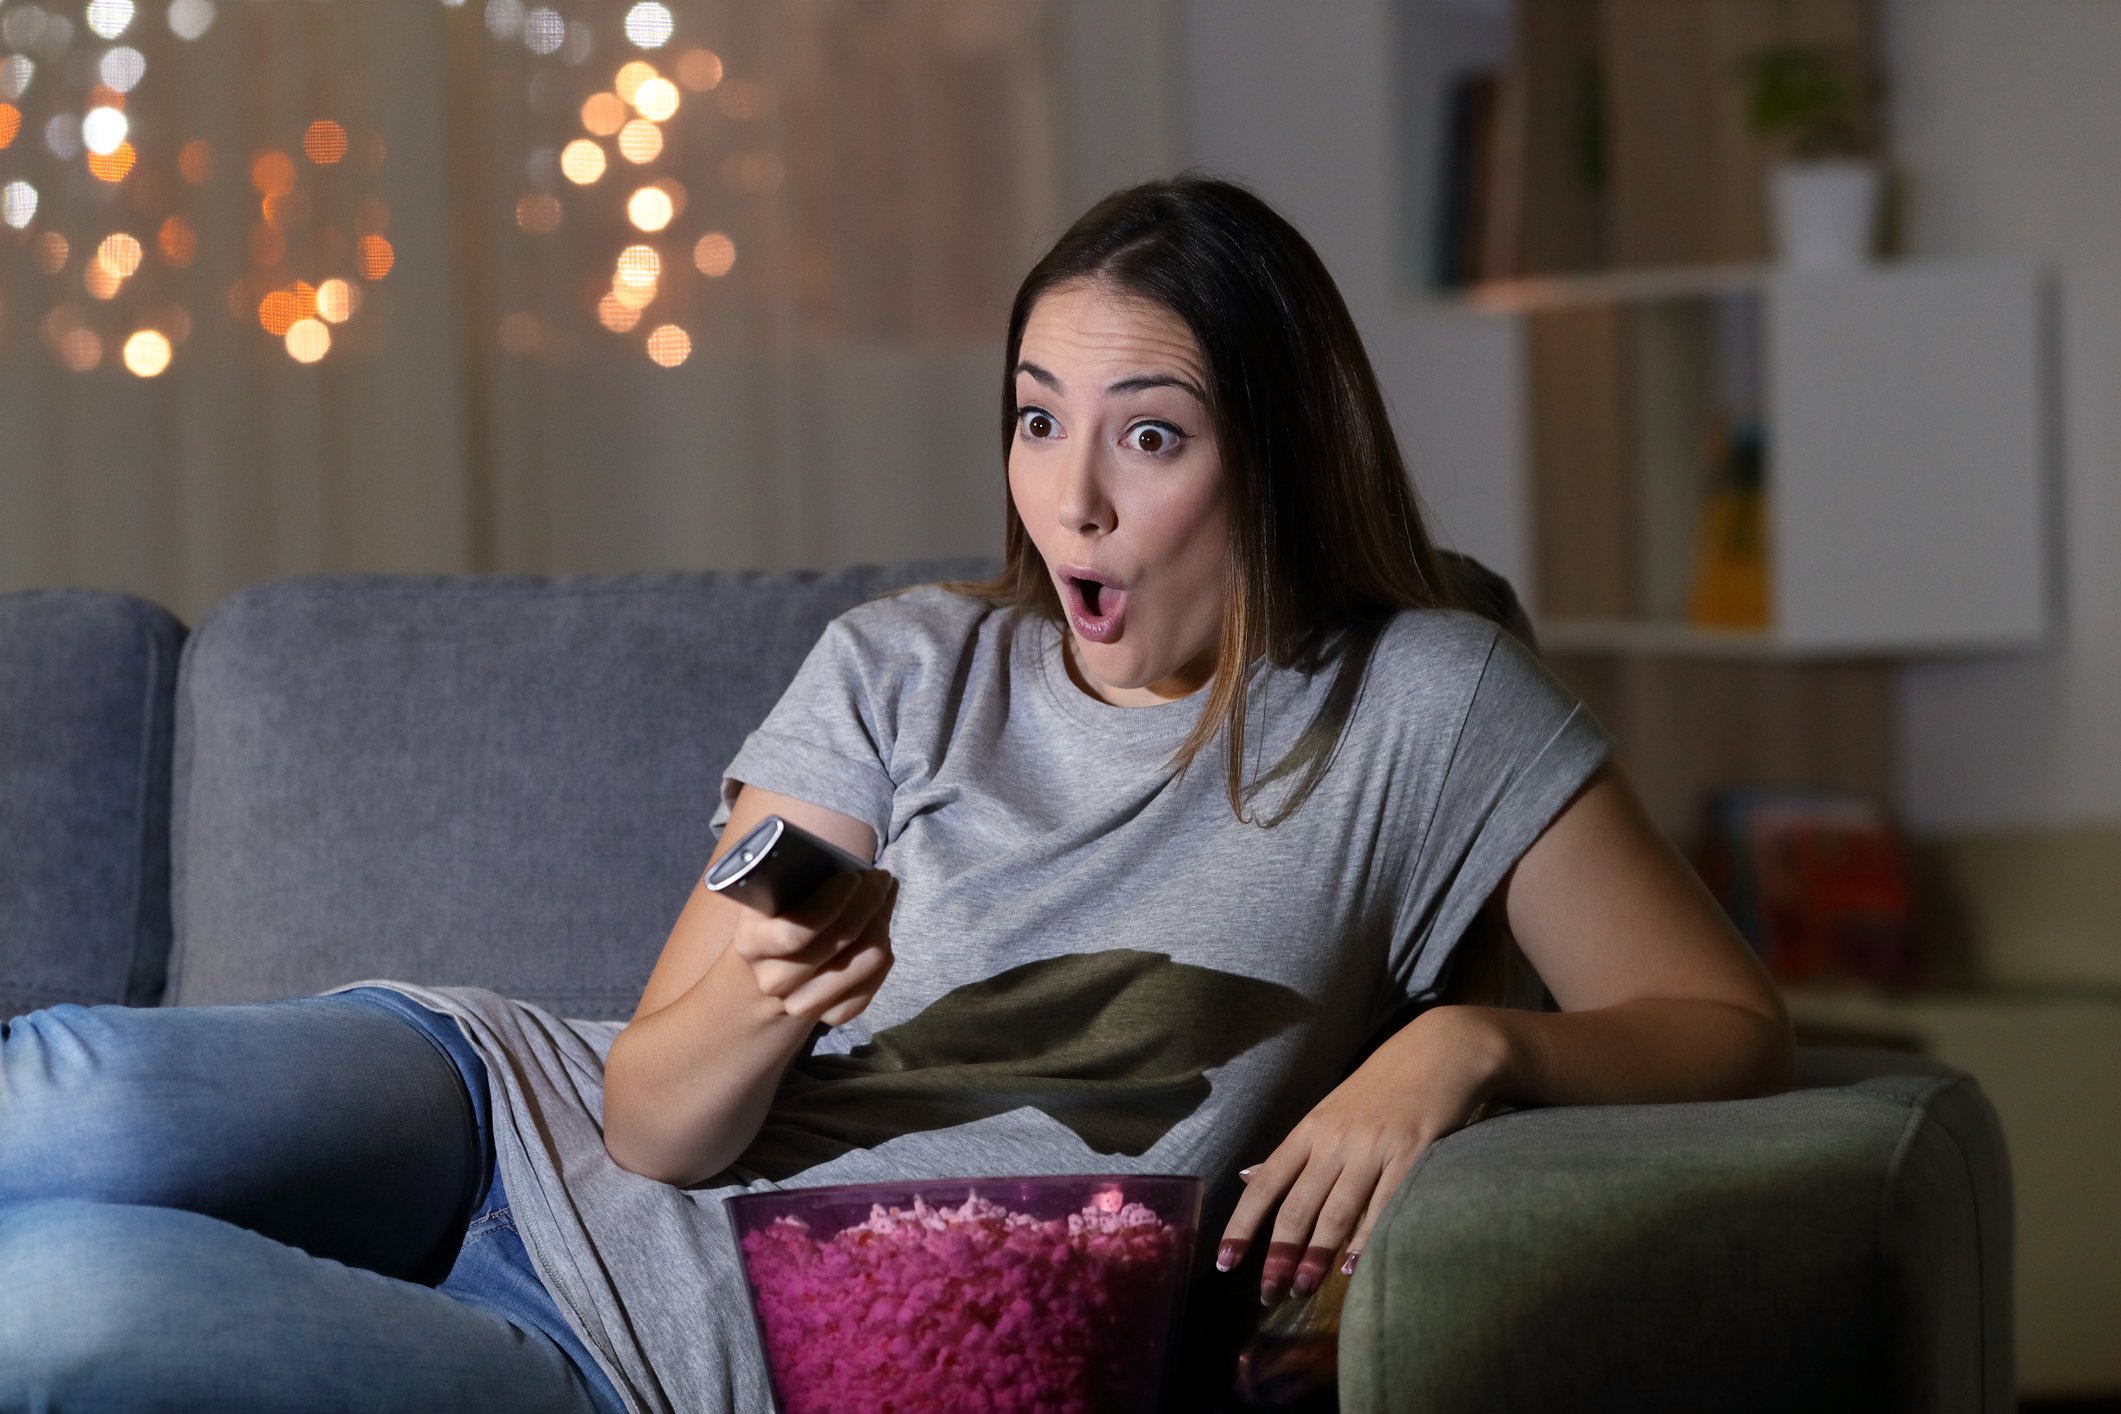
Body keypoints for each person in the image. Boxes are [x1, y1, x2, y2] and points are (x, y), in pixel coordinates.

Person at [0, 174, 1794, 1413]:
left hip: (683, 1353)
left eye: (1147, 434)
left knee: (61, 1299)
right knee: (77, 1099)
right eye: (1035, 417)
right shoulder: (900, 665)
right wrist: (772, 998)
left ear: (1274, 458)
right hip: (513, 1113)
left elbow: (1722, 1015)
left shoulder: (1422, 701)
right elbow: (651, 1121)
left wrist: (1468, 1046)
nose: (1069, 497)